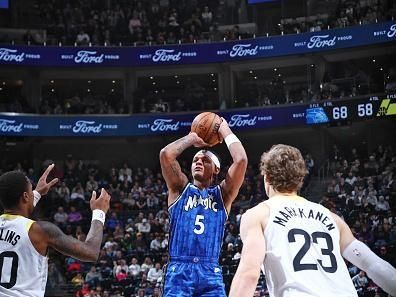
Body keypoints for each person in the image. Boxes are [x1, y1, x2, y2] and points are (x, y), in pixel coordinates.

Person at [229, 144, 396, 297]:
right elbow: (372, 265)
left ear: (266, 177)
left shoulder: (258, 214)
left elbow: (249, 274)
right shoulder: (331, 217)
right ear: (301, 179)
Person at [159, 118, 247, 296]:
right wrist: (192, 137)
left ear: (216, 169)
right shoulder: (180, 188)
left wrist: (224, 128)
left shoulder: (223, 195)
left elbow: (241, 160)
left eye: (205, 160)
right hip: (179, 271)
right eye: (195, 160)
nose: (198, 162)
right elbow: (166, 155)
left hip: (210, 271)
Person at [0, 164, 111, 297]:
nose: (33, 192)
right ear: (25, 197)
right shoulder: (40, 231)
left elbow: (18, 217)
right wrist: (99, 213)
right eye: (31, 190)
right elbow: (91, 252)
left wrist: (36, 194)